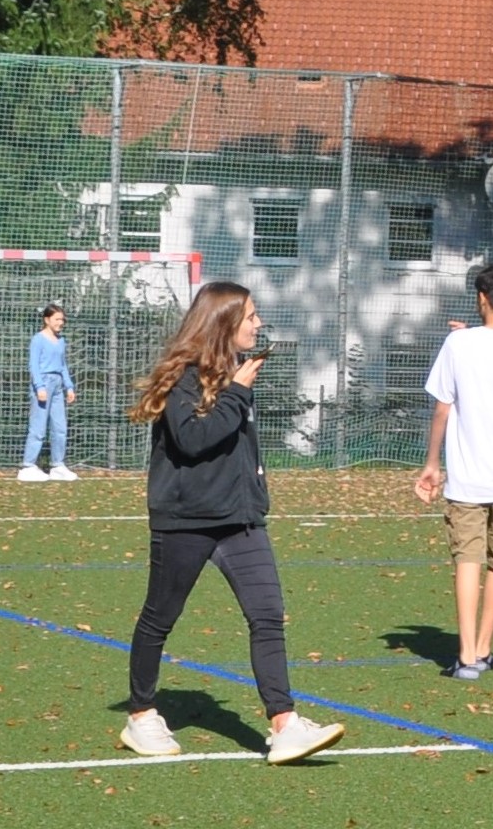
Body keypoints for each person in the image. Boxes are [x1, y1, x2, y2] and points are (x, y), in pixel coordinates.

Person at [118, 281, 344, 765]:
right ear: (224, 324)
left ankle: (284, 724)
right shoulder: (184, 377)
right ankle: (141, 715)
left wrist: (255, 497)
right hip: (186, 521)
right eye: (250, 318)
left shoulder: (235, 374)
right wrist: (239, 392)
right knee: (160, 617)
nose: (258, 325)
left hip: (240, 521)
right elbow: (194, 440)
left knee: (267, 614)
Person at [413, 263, 493, 681]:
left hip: (467, 474)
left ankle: (467, 654)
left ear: (481, 299)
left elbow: (442, 407)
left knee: (467, 559)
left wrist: (432, 463)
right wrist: (469, 335)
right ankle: (485, 647)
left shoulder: (459, 344)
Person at [17, 304, 78, 482]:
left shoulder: (61, 341)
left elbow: (62, 365)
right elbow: (34, 365)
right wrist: (39, 387)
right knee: (38, 427)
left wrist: (69, 386)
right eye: (57, 319)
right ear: (47, 320)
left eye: (62, 319)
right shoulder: (38, 339)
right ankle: (28, 466)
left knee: (60, 427)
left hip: (58, 385)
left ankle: (57, 465)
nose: (61, 323)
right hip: (43, 384)